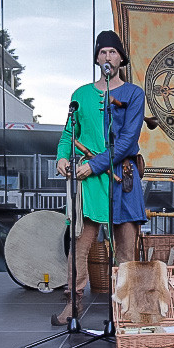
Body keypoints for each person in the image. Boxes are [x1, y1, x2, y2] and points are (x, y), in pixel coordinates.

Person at [52, 30, 146, 325]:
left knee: (126, 249)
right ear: (97, 59)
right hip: (90, 183)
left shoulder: (134, 94)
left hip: (123, 178)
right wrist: (62, 156)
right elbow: (70, 132)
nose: (108, 56)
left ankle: (126, 309)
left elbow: (128, 141)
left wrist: (95, 165)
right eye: (103, 52)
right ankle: (74, 303)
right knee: (79, 245)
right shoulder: (80, 95)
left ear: (121, 59)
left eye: (113, 52)